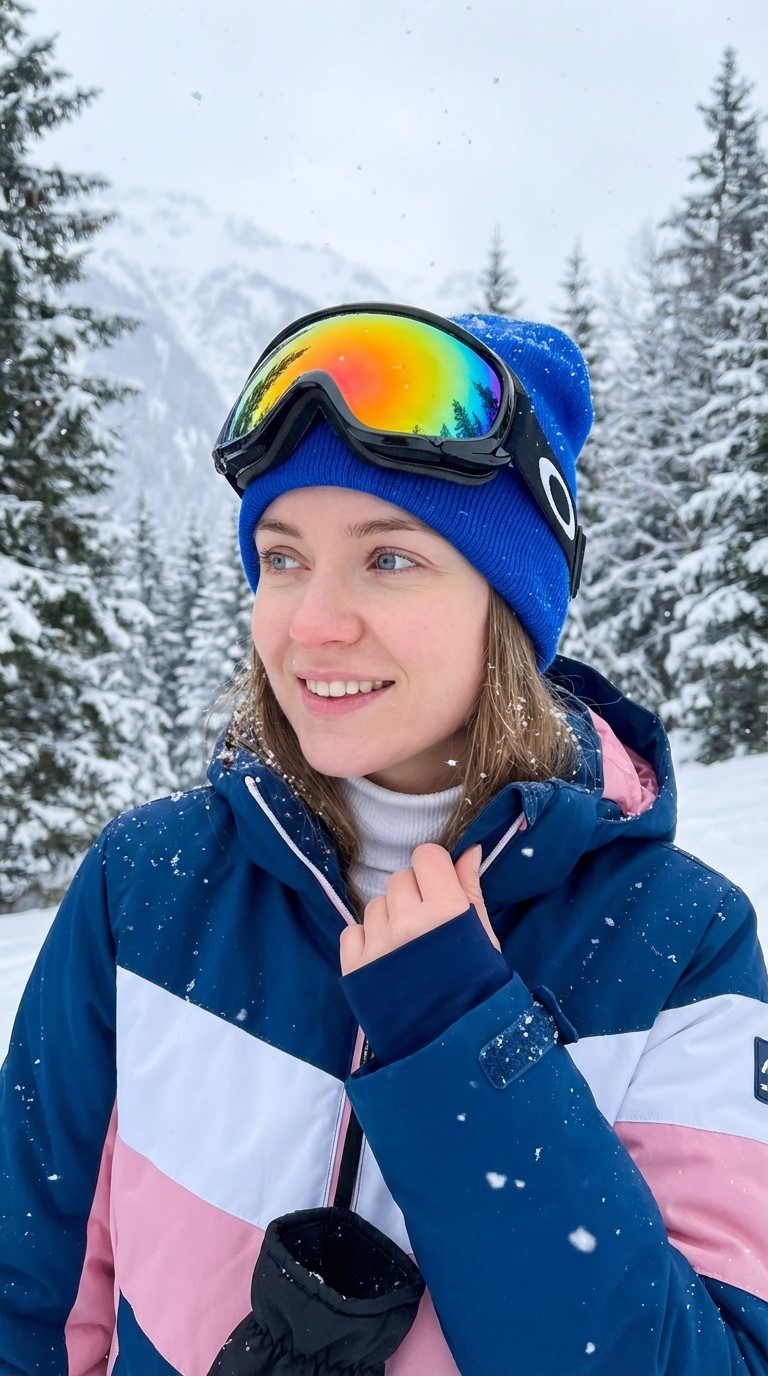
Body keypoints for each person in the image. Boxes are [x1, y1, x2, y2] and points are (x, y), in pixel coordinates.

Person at [0, 303, 766, 1376]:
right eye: (282, 557)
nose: (312, 622)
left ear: (508, 606)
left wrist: (464, 1042)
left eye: (390, 559)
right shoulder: (145, 889)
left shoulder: (677, 943)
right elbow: (28, 1301)